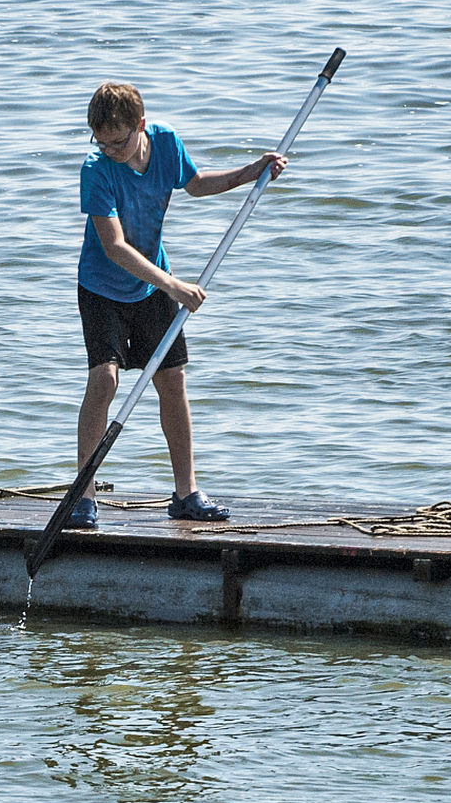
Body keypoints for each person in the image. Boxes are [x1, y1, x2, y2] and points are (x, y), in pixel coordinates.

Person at [68, 81, 287, 529]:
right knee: (104, 380)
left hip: (152, 289)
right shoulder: (97, 169)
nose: (109, 150)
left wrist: (252, 171)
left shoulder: (165, 141)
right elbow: (113, 246)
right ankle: (82, 496)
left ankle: (186, 494)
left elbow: (195, 183)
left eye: (118, 141)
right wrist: (173, 285)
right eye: (101, 142)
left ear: (140, 126)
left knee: (172, 382)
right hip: (103, 288)